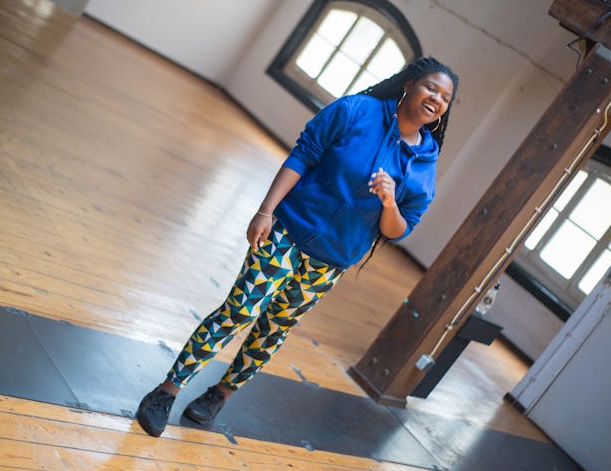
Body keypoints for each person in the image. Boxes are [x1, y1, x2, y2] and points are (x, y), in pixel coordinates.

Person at [135, 56, 459, 437]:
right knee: (239, 311)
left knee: (274, 328)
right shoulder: (356, 111)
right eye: (430, 87)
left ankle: (219, 394)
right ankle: (166, 391)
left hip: (331, 260)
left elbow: (399, 229)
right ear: (408, 85)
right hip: (288, 231)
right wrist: (265, 211)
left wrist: (390, 201)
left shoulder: (425, 162)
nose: (436, 98)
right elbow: (303, 154)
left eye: (445, 97)